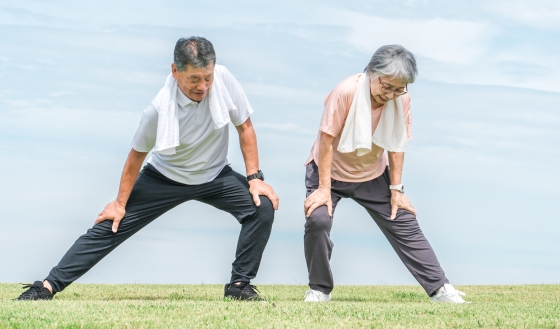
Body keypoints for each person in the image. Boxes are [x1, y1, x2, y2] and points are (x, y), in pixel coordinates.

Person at [15, 36, 278, 301]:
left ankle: (239, 285)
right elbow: (136, 156)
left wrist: (254, 178)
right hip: (164, 177)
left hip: (215, 175)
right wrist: (119, 203)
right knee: (112, 224)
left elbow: (245, 127)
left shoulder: (224, 80)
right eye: (194, 79)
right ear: (175, 71)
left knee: (261, 207)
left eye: (207, 77)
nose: (203, 86)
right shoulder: (157, 110)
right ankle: (47, 286)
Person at [302, 45, 465, 303]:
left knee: (404, 219)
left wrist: (397, 190)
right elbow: (326, 139)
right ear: (371, 72)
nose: (391, 95)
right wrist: (323, 189)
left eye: (399, 89)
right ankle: (320, 289)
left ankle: (440, 289)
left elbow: (397, 144)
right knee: (318, 220)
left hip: (372, 174)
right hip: (328, 171)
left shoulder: (402, 99)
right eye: (387, 87)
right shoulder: (346, 91)